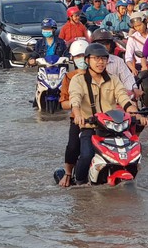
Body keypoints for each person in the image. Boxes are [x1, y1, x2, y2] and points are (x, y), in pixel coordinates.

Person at [68, 43, 148, 185]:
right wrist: (78, 114)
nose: (100, 62)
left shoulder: (113, 79)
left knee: (132, 153)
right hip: (89, 126)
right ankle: (79, 183)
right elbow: (75, 99)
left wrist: (136, 114)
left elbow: (123, 98)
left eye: (104, 59)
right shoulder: (78, 80)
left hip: (112, 128)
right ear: (87, 61)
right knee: (86, 155)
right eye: (96, 59)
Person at [55, 39, 89, 187]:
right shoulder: (69, 77)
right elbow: (63, 103)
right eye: (77, 56)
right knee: (73, 146)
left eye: (83, 55)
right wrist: (76, 103)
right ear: (73, 59)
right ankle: (68, 173)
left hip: (99, 118)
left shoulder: (100, 74)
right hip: (78, 118)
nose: (81, 59)